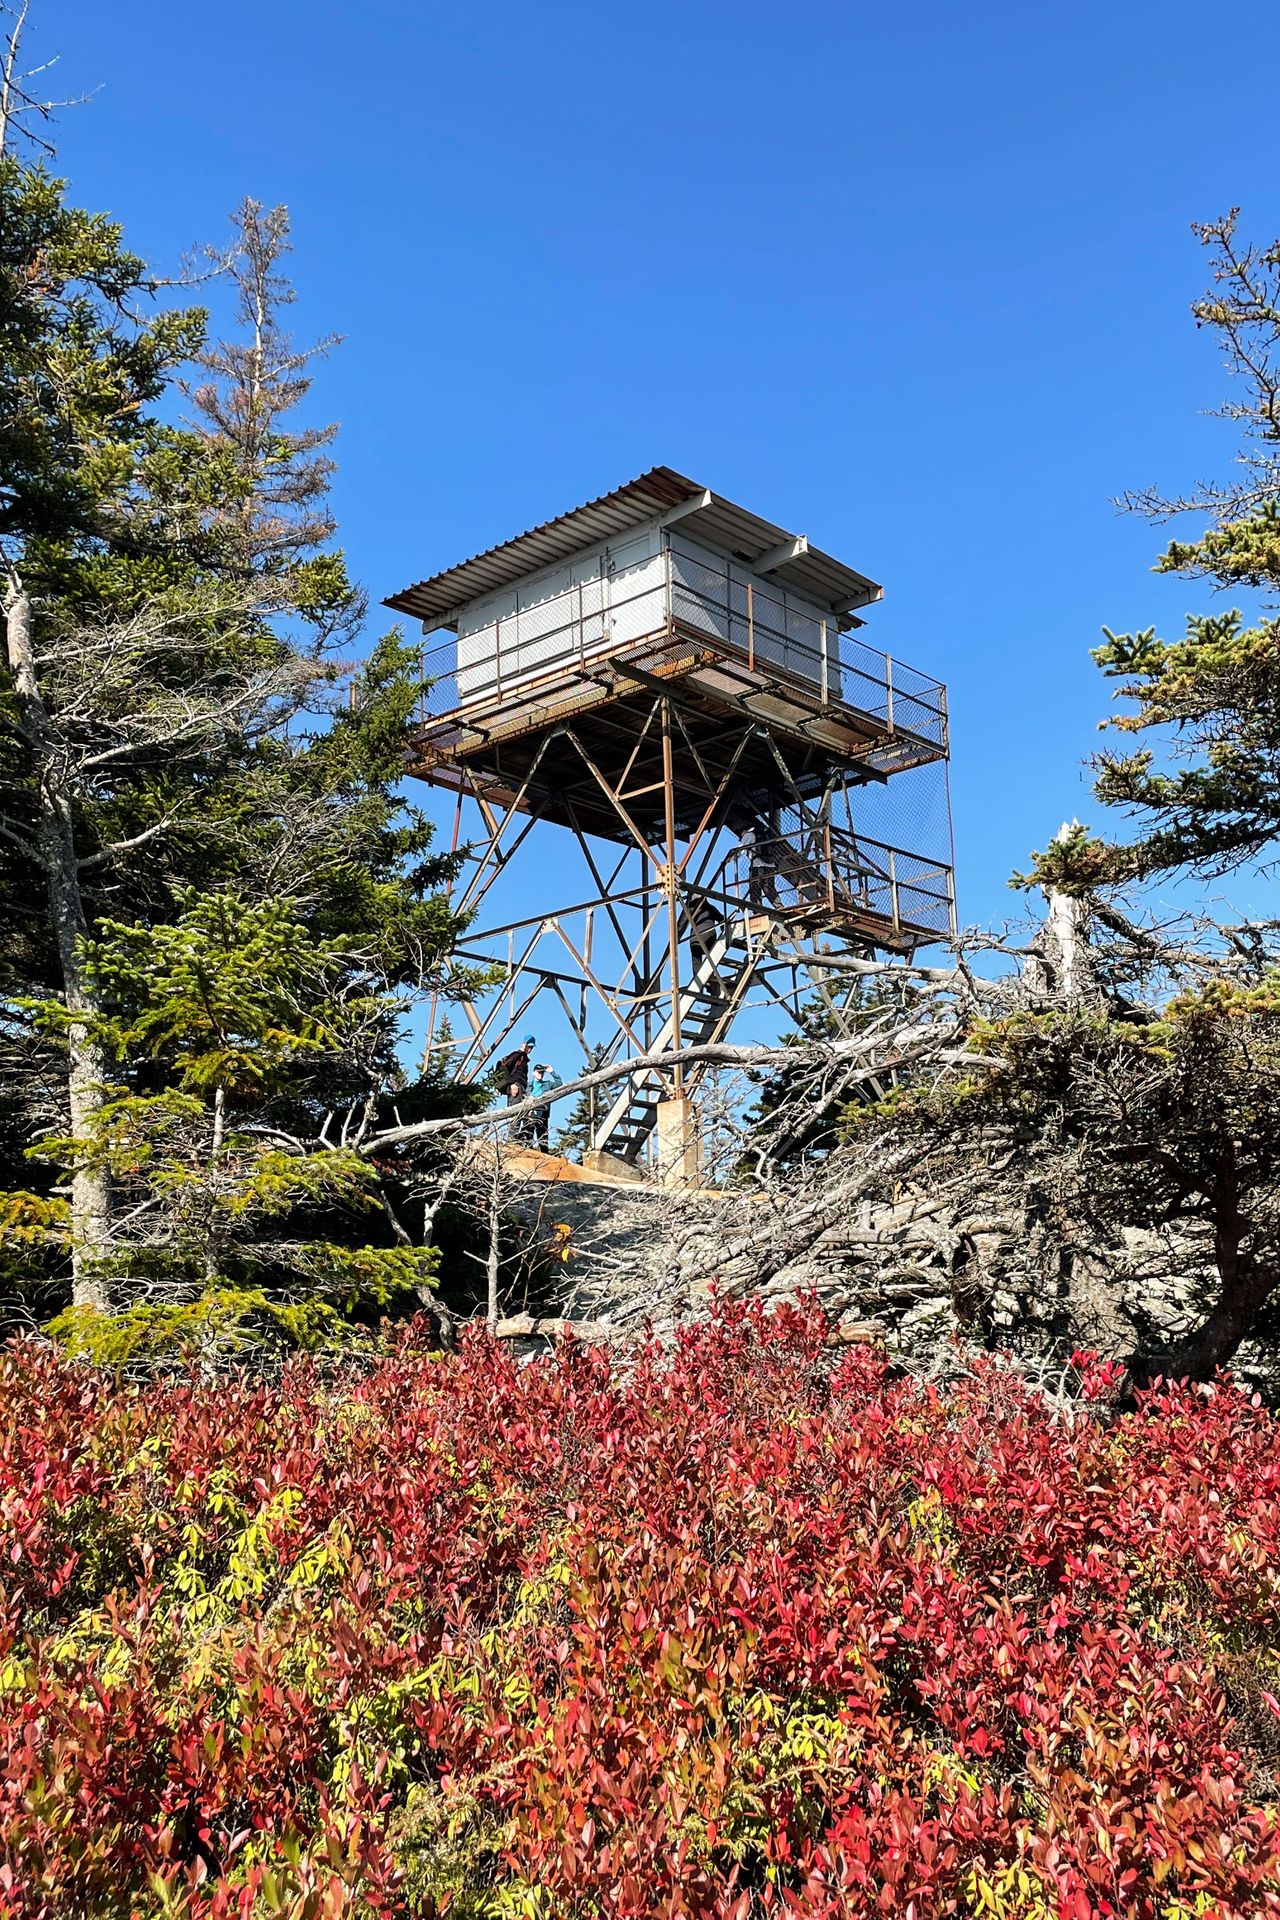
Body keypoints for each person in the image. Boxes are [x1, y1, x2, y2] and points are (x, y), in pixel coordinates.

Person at [494, 1034, 536, 1126]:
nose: (530, 1049)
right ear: (524, 1044)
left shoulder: (524, 1058)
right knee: (515, 1116)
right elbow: (502, 1067)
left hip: (522, 1088)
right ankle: (512, 1138)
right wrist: (512, 1084)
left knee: (523, 1115)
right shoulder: (517, 1055)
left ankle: (517, 1137)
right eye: (529, 1046)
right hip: (516, 1086)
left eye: (531, 1047)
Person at [528, 1062, 563, 1151]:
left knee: (543, 1137)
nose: (541, 1074)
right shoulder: (528, 1085)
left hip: (543, 1113)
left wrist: (552, 1071)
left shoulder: (547, 1084)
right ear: (533, 1073)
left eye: (542, 1072)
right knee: (528, 1135)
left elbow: (559, 1084)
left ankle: (545, 1154)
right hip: (530, 1113)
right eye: (539, 1072)